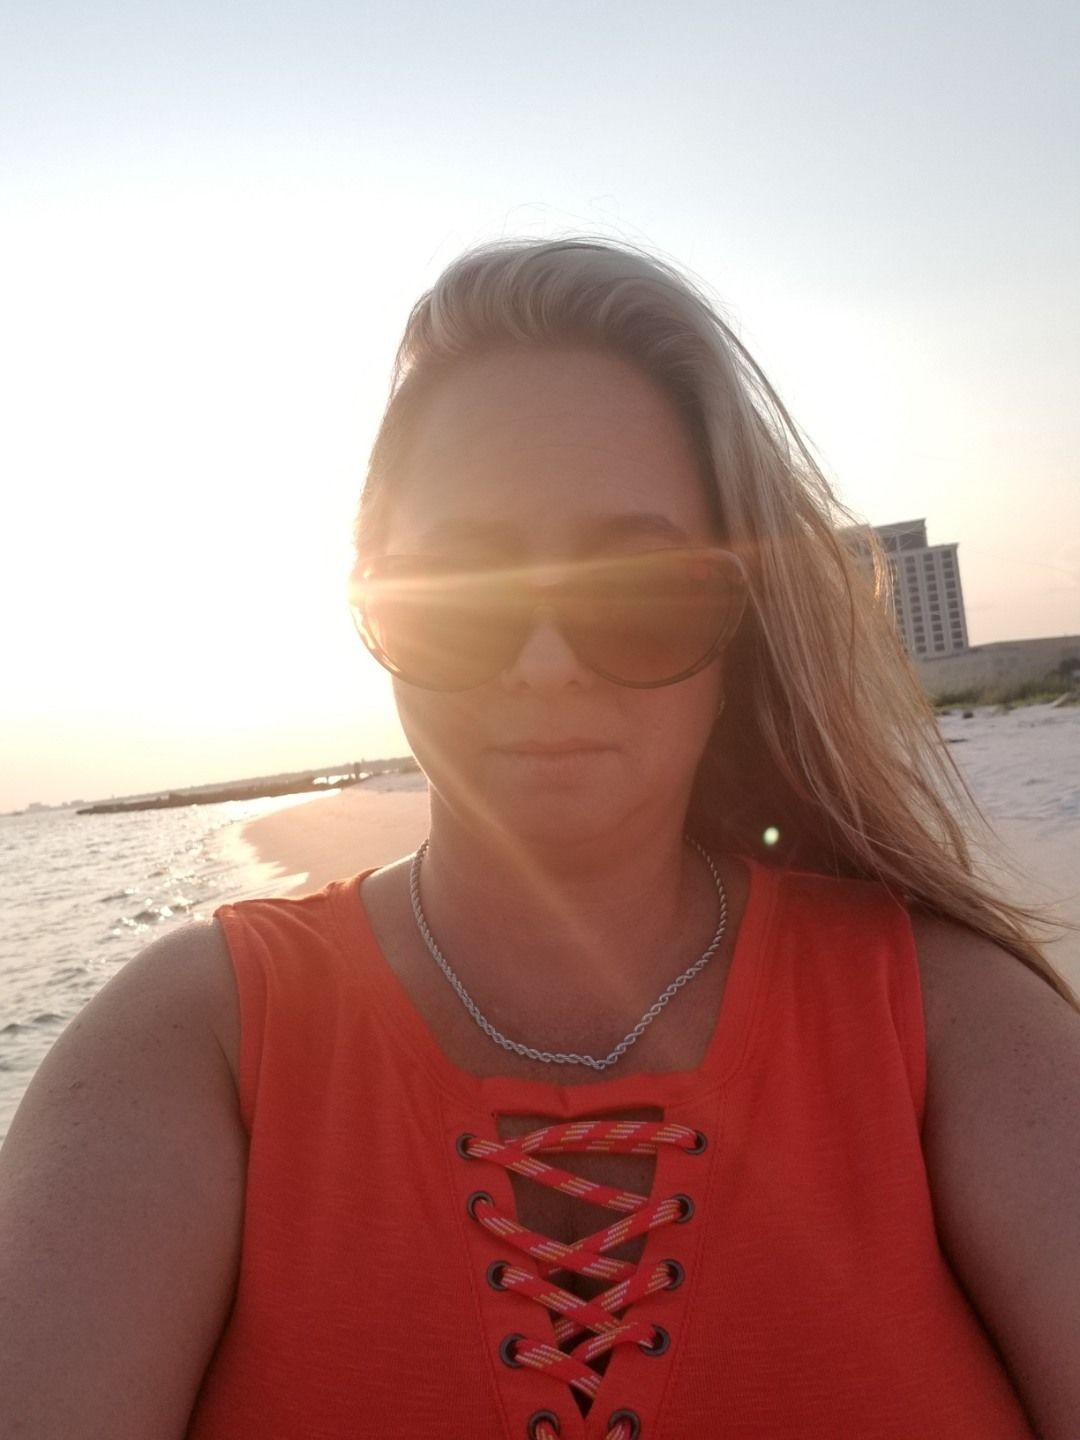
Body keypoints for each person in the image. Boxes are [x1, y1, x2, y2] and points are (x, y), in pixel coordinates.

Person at [1, 238, 1078, 1440]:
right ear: (372, 601)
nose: (547, 663)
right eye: (465, 589)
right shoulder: (195, 1042)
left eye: (638, 587)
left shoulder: (947, 1024)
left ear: (741, 622)